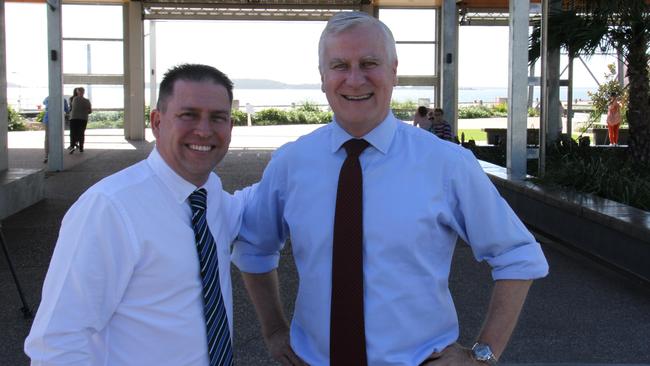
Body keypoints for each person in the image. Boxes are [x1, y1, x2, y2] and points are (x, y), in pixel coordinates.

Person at [232, 11, 548, 366]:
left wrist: (483, 355)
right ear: (322, 77)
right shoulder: (291, 163)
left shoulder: (447, 163)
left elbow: (518, 256)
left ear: (394, 71)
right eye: (339, 65)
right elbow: (254, 247)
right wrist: (274, 331)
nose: (354, 79)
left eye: (369, 63)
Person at [25, 64, 245, 365]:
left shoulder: (213, 197)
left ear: (230, 127)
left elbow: (264, 203)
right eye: (188, 115)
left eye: (217, 118)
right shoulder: (108, 208)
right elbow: (58, 341)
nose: (204, 130)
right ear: (156, 122)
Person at [41, 95, 70, 163]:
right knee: (58, 137)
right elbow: (67, 110)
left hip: (47, 119)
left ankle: (46, 156)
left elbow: (44, 103)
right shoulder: (63, 100)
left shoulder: (47, 98)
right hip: (57, 119)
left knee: (47, 137)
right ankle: (57, 154)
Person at [68, 87, 92, 154]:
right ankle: (81, 147)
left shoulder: (73, 99)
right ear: (84, 92)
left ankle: (72, 146)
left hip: (74, 118)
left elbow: (71, 108)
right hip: (83, 118)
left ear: (77, 92)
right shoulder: (87, 101)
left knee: (73, 133)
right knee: (81, 133)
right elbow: (90, 111)